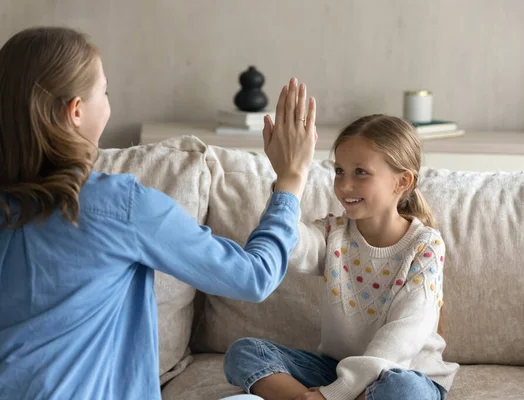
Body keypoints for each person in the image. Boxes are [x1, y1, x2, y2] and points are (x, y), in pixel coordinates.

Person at [0, 26, 317, 400]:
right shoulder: (118, 205)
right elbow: (253, 277)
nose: (107, 101)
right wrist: (290, 182)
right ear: (76, 111)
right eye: (104, 91)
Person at [224, 115, 459, 400]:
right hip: (336, 371)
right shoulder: (333, 233)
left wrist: (332, 395)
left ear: (402, 181)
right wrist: (286, 177)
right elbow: (283, 241)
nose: (345, 185)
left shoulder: (426, 246)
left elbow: (401, 339)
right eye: (339, 171)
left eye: (360, 172)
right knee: (245, 353)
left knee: (403, 390)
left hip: (403, 373)